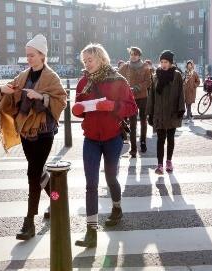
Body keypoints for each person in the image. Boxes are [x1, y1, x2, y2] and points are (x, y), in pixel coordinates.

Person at [0, 34, 67, 240]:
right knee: (39, 173)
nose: (29, 59)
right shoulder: (23, 75)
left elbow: (61, 100)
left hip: (44, 132)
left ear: (42, 55)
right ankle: (57, 201)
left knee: (33, 174)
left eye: (33, 55)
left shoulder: (52, 77)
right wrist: (2, 89)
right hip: (26, 132)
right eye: (27, 55)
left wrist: (42, 97)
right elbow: (10, 91)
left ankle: (29, 222)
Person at [71, 43, 137, 248]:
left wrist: (113, 106)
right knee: (90, 183)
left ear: (101, 58)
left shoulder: (118, 80)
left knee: (110, 178)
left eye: (90, 60)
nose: (87, 64)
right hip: (91, 138)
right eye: (84, 61)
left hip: (112, 137)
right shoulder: (83, 82)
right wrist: (77, 109)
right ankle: (91, 231)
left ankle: (116, 208)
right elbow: (79, 107)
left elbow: (132, 108)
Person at [147, 50, 185, 174]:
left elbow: (181, 93)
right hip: (159, 113)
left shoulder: (177, 75)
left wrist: (181, 109)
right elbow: (151, 95)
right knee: (160, 139)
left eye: (166, 62)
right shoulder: (155, 76)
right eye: (162, 62)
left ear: (170, 63)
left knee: (171, 138)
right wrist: (150, 113)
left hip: (173, 113)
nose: (163, 64)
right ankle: (159, 165)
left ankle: (168, 161)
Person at [119, 47, 152, 157]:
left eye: (135, 54)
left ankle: (142, 142)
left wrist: (137, 87)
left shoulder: (145, 67)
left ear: (139, 56)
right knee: (132, 123)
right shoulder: (125, 67)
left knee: (143, 120)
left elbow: (148, 82)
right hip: (131, 98)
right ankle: (133, 148)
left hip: (143, 97)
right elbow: (118, 78)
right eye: (131, 54)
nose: (133, 56)